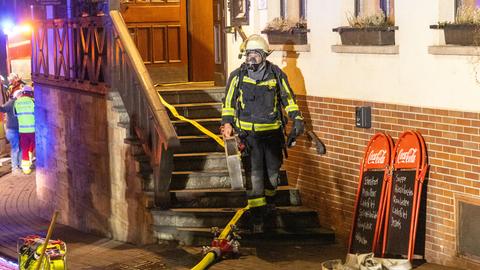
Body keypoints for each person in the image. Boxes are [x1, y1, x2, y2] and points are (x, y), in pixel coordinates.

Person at [221, 34, 305, 233]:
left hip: (273, 135)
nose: (252, 58)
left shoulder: (276, 75)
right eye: (249, 54)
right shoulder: (237, 76)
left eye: (256, 54)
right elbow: (229, 102)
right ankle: (257, 216)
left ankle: (269, 205)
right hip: (249, 137)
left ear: (264, 55)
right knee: (255, 175)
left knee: (273, 175)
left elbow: (288, 98)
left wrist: (297, 118)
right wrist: (227, 123)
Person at [14, 85, 35, 175]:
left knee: (24, 148)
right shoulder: (33, 101)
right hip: (33, 129)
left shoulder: (17, 102)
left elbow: (15, 114)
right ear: (30, 93)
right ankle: (31, 157)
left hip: (22, 130)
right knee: (33, 146)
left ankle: (26, 169)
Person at [0, 90, 21, 174]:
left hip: (17, 129)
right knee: (16, 148)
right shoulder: (11, 103)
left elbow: (2, 109)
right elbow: (2, 109)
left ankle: (18, 166)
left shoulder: (17, 103)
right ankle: (15, 167)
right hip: (13, 130)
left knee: (18, 148)